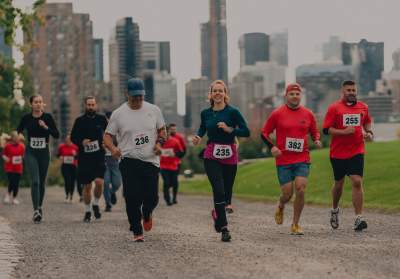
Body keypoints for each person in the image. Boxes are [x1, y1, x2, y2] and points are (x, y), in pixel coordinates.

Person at [104, 78, 166, 242]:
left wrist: (160, 143)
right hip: (129, 162)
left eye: (141, 95)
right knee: (132, 198)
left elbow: (162, 130)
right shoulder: (118, 114)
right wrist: (112, 148)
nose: (138, 99)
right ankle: (137, 231)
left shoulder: (153, 110)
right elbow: (107, 136)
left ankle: (147, 212)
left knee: (152, 198)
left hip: (151, 160)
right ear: (127, 93)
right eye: (134, 96)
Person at [193, 79, 250, 242]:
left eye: (220, 91)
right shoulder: (205, 113)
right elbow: (202, 128)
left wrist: (229, 129)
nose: (217, 93)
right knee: (218, 189)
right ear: (210, 94)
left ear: (225, 94)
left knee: (226, 192)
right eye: (214, 91)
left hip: (230, 155)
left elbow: (246, 132)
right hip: (211, 155)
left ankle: (216, 213)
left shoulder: (233, 112)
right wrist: (198, 137)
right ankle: (224, 228)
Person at [261, 83, 322, 235]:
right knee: (287, 195)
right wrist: (272, 147)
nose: (295, 96)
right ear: (286, 96)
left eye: (297, 94)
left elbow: (314, 131)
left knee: (301, 190)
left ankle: (295, 224)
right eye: (292, 94)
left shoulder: (308, 113)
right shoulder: (277, 113)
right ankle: (281, 205)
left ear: (301, 96)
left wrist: (316, 139)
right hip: (283, 160)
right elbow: (264, 133)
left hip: (302, 157)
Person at [323, 80, 372, 231]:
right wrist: (343, 132)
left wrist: (368, 132)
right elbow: (326, 130)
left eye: (354, 90)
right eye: (348, 90)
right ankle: (334, 210)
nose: (351, 92)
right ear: (342, 92)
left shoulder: (363, 106)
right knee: (339, 185)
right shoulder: (334, 108)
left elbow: (367, 122)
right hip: (338, 152)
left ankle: (358, 218)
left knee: (357, 182)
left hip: (357, 150)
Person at [17, 94, 59, 222]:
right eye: (36, 102)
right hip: (31, 151)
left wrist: (46, 127)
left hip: (44, 151)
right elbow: (19, 129)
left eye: (40, 102)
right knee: (35, 181)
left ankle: (40, 207)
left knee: (42, 182)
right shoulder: (26, 117)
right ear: (30, 104)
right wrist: (19, 135)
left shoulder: (47, 117)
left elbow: (56, 134)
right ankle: (35, 211)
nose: (38, 104)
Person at [71, 96, 108, 222]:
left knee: (99, 182)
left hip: (98, 157)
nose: (91, 107)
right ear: (85, 106)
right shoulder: (79, 121)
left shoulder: (102, 119)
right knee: (87, 186)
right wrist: (81, 142)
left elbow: (109, 134)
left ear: (96, 105)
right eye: (88, 105)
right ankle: (87, 212)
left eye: (93, 105)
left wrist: (105, 143)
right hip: (84, 159)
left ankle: (96, 204)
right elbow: (72, 138)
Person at [103, 111, 122, 212]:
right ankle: (107, 203)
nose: (109, 119)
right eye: (108, 117)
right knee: (105, 183)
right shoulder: (102, 131)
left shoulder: (119, 131)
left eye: (111, 117)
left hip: (116, 163)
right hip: (104, 163)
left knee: (117, 184)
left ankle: (112, 192)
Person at [161, 127, 184, 206]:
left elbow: (181, 152)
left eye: (167, 134)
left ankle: (172, 197)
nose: (166, 136)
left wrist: (175, 154)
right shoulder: (159, 142)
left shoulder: (175, 141)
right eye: (165, 134)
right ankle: (168, 200)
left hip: (173, 166)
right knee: (166, 182)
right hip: (163, 165)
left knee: (172, 183)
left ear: (169, 133)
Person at [1, 131, 25, 204]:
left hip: (18, 168)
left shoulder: (22, 146)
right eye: (15, 136)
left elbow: (24, 156)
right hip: (9, 167)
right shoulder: (8, 146)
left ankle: (14, 198)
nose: (16, 138)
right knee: (12, 181)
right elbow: (3, 154)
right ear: (12, 138)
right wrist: (6, 158)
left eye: (17, 136)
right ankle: (8, 195)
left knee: (16, 183)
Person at [57, 133, 78, 203]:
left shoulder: (75, 147)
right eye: (67, 138)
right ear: (65, 139)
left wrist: (75, 155)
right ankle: (66, 196)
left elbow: (79, 157)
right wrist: (60, 156)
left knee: (72, 181)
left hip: (73, 166)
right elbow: (58, 154)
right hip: (65, 166)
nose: (69, 139)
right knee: (67, 180)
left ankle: (71, 196)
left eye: (70, 138)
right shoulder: (61, 146)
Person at [168, 123, 186, 204]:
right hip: (165, 162)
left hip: (176, 162)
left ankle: (174, 197)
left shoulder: (179, 137)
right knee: (167, 181)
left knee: (175, 180)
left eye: (174, 130)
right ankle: (167, 196)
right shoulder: (165, 137)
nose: (173, 131)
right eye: (171, 130)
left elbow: (183, 150)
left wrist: (176, 155)